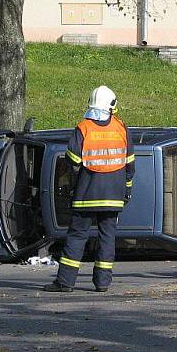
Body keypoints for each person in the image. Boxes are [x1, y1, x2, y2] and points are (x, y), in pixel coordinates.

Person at [45, 86, 135, 292]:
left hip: (86, 194)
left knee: (77, 236)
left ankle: (65, 282)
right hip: (113, 195)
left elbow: (73, 159)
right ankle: (103, 282)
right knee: (107, 237)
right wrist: (127, 190)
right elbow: (130, 164)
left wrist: (72, 180)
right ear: (111, 105)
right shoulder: (121, 128)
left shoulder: (84, 128)